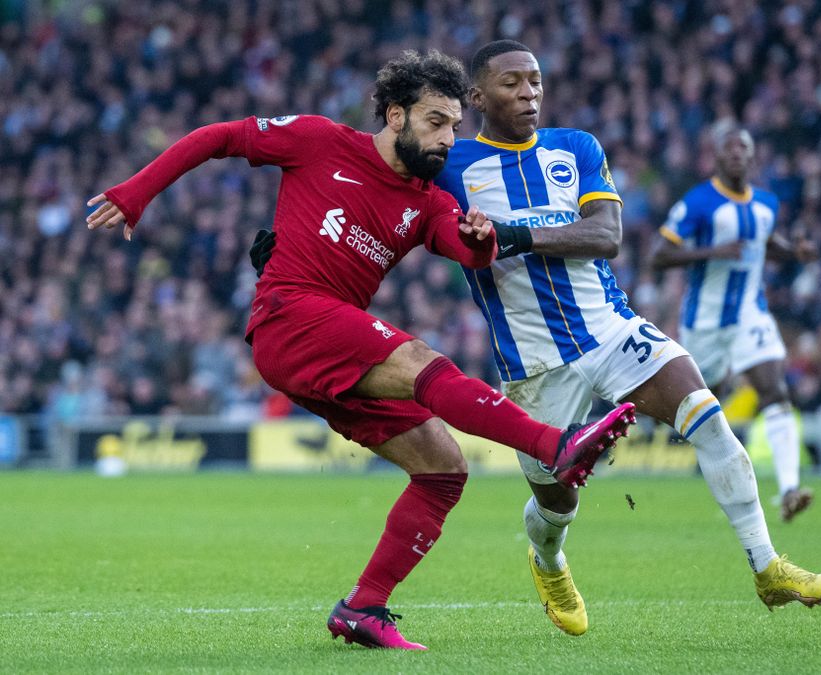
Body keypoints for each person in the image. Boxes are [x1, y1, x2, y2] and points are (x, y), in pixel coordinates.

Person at [84, 49, 636, 651]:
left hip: (326, 349)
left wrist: (482, 242)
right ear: (395, 116)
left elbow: (466, 250)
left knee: (443, 468)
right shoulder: (319, 141)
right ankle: (554, 445)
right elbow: (222, 136)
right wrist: (137, 193)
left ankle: (364, 608)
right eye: (435, 122)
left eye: (454, 125)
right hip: (289, 317)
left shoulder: (430, 201)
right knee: (423, 363)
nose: (449, 138)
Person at [438, 40, 821, 634]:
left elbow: (607, 234)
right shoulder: (451, 166)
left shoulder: (575, 149)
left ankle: (766, 564)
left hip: (611, 328)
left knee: (708, 416)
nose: (529, 93)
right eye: (511, 84)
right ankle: (548, 560)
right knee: (557, 503)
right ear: (476, 97)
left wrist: (513, 234)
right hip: (533, 359)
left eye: (536, 81)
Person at [649, 121, 819, 522]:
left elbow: (763, 244)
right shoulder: (698, 203)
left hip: (749, 314)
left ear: (753, 156)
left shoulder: (766, 205)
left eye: (744, 148)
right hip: (704, 323)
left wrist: (794, 252)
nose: (738, 154)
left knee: (774, 391)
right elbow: (659, 256)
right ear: (717, 157)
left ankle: (790, 489)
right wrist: (712, 251)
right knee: (695, 404)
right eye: (730, 149)